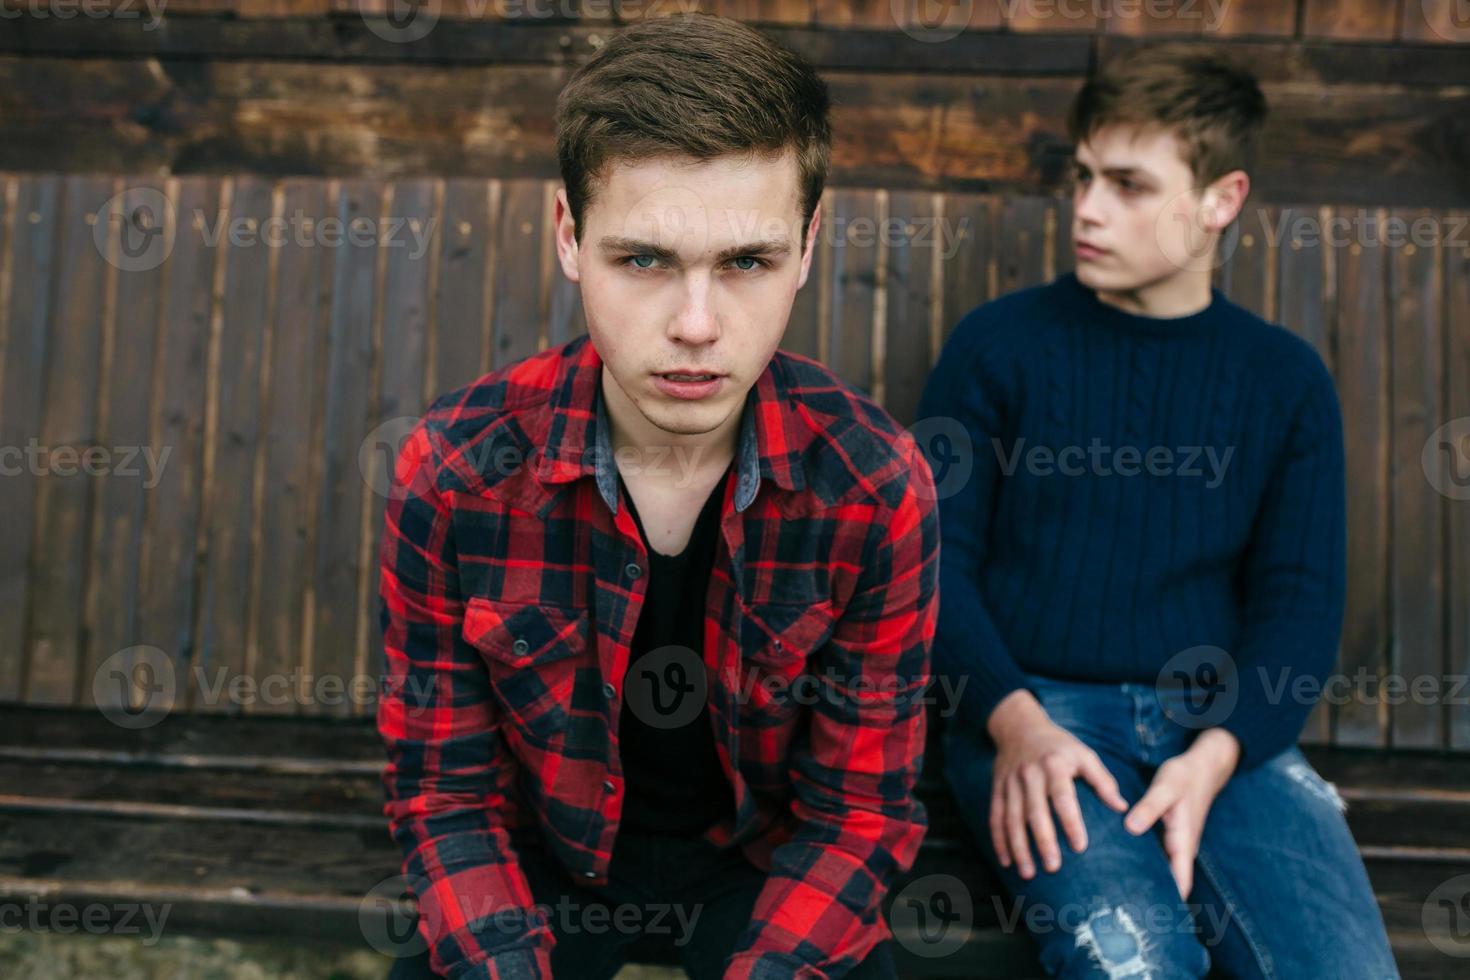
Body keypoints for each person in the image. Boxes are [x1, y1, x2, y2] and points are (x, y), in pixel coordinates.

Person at [376, 14, 939, 980]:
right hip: (544, 858)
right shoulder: (457, 469)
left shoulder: (875, 485)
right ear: (569, 235)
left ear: (807, 247)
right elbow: (448, 797)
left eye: (746, 263)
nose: (694, 325)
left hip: (759, 865)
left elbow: (858, 813)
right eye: (643, 260)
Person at [916, 44, 1399, 979]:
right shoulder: (997, 349)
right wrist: (1013, 724)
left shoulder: (1284, 381)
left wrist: (1218, 755)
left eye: (1131, 186)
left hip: (1222, 734)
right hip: (1038, 717)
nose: (1088, 209)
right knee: (1138, 968)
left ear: (1221, 200)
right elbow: (933, 566)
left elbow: (1300, 611)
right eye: (1085, 177)